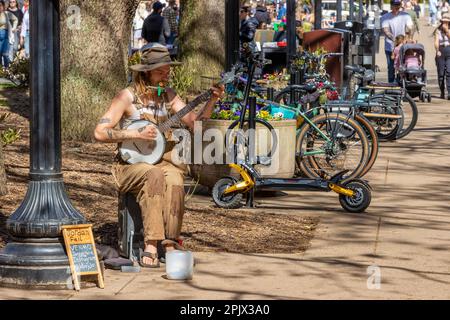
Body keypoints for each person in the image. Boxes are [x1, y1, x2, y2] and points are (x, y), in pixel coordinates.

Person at [94, 47, 225, 267]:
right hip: (129, 166)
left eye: (168, 71)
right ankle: (151, 244)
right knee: (153, 175)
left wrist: (211, 100)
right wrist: (135, 134)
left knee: (174, 179)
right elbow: (99, 132)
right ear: (146, 73)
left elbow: (196, 124)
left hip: (161, 160)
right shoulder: (127, 97)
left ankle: (170, 243)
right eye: (161, 72)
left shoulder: (169, 96)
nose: (167, 76)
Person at [382, 0, 413, 83]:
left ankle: (402, 84)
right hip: (390, 46)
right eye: (394, 5)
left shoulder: (406, 16)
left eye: (398, 5)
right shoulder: (385, 17)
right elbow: (386, 30)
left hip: (403, 47)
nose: (396, 7)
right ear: (391, 5)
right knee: (391, 67)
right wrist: (395, 40)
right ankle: (391, 85)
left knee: (403, 66)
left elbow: (409, 28)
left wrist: (406, 38)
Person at [434, 13, 450, 99]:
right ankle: (442, 92)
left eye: (447, 22)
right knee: (441, 74)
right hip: (441, 51)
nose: (445, 23)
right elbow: (436, 42)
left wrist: (447, 31)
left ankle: (449, 93)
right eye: (444, 22)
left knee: (449, 72)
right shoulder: (438, 30)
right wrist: (437, 50)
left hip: (449, 50)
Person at [0, 1, 17, 68]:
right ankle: (1, 71)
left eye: (0, 5)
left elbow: (16, 19)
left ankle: (7, 69)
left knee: (5, 54)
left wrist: (14, 28)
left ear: (3, 6)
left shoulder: (7, 13)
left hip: (5, 35)